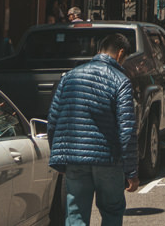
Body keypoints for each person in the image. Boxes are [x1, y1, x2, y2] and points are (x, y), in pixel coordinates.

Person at [48, 33, 140, 226]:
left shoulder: (70, 77)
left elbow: (54, 120)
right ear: (120, 53)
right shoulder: (120, 81)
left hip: (74, 158)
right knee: (112, 211)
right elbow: (127, 129)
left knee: (76, 214)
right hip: (108, 160)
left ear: (100, 50)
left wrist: (60, 158)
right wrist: (131, 170)